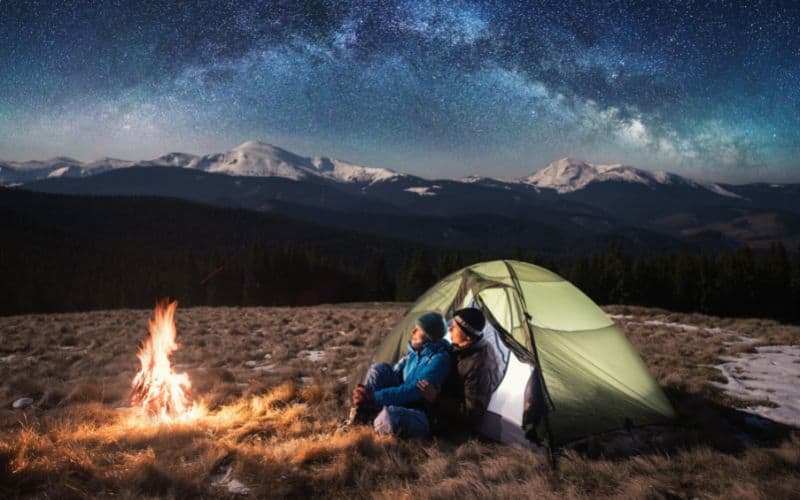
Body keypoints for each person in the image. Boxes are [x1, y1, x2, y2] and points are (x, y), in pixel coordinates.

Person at [349, 311, 451, 438]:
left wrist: (374, 397)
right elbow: (394, 374)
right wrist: (365, 393)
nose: (413, 332)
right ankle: (361, 415)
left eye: (418, 330)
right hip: (402, 403)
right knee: (379, 369)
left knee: (390, 416)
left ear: (429, 336)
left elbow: (414, 390)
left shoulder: (439, 359)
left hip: (420, 413)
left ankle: (370, 431)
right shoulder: (414, 353)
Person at [417, 307, 494, 441]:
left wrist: (436, 398)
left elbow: (472, 413)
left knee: (392, 417)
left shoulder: (478, 365)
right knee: (380, 370)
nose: (449, 330)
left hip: (447, 424)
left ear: (468, 336)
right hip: (431, 409)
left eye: (454, 327)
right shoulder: (458, 347)